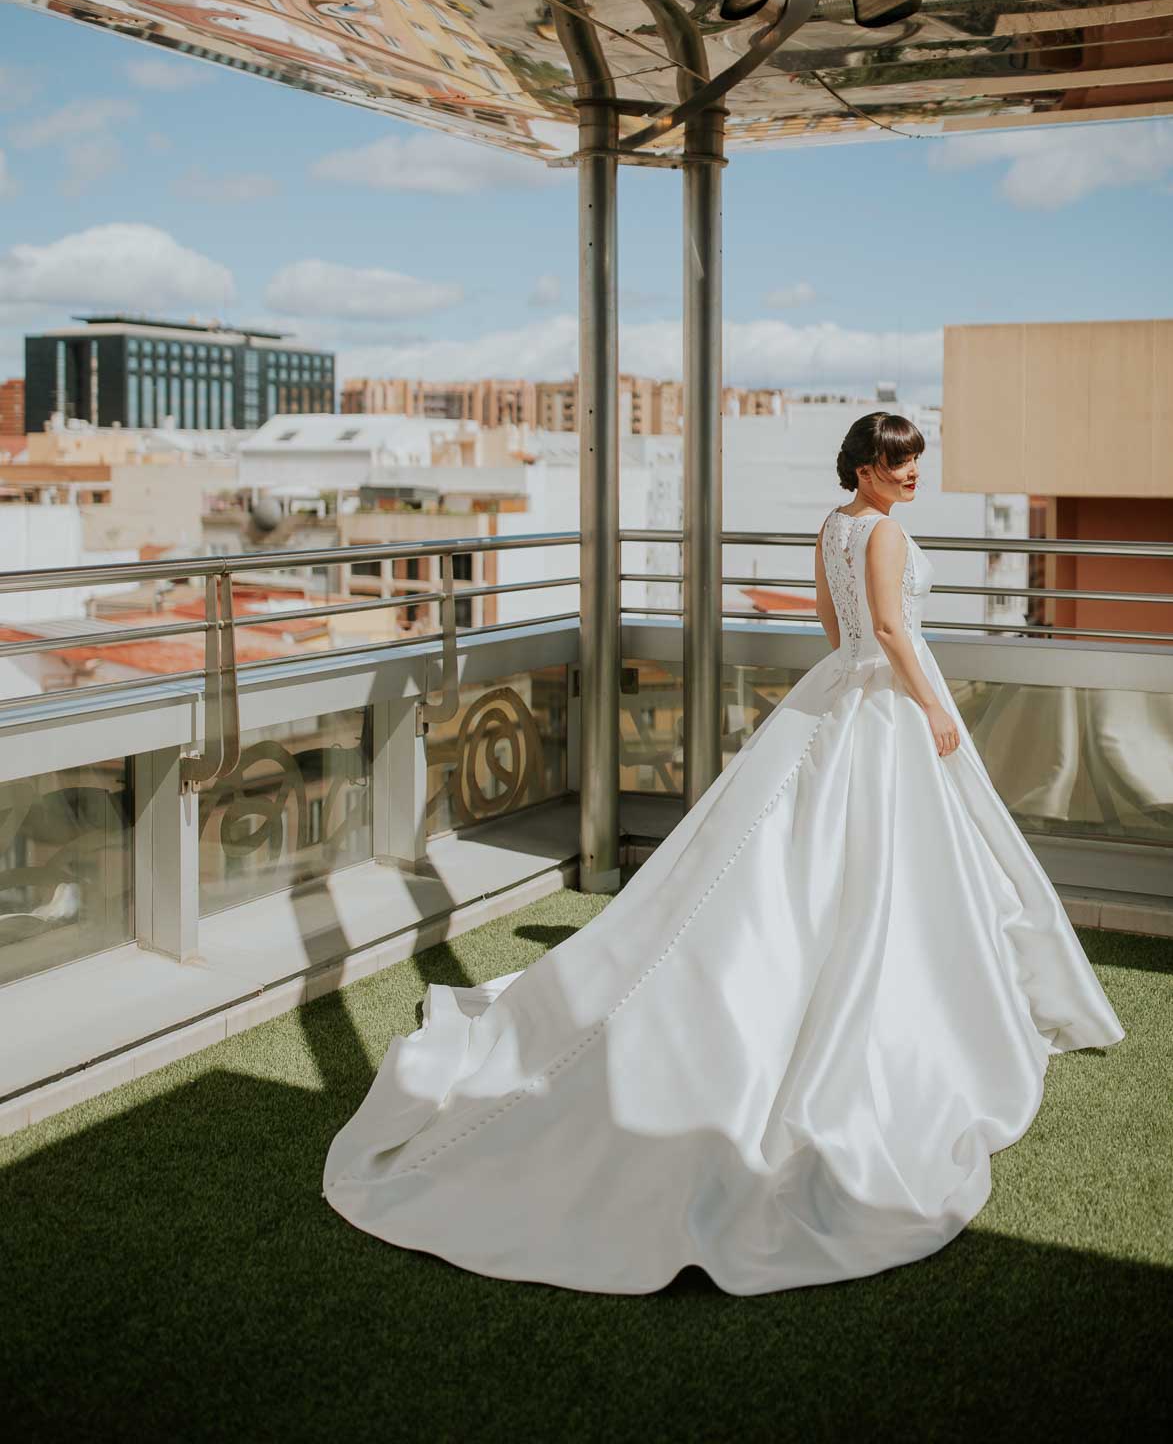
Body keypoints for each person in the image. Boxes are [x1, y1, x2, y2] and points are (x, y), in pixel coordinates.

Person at [323, 411, 1124, 1295]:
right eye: (896, 462)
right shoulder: (886, 534)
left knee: (798, 847)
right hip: (888, 690)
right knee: (881, 857)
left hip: (840, 688)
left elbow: (834, 619)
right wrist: (928, 705)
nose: (910, 474)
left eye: (913, 461)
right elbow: (893, 631)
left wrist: (854, 675)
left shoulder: (832, 526)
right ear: (863, 467)